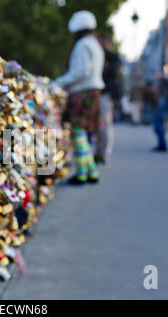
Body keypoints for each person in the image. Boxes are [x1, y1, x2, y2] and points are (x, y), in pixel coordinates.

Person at [52, 10, 105, 185]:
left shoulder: (82, 45)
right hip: (93, 92)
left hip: (82, 93)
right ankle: (91, 172)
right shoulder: (94, 44)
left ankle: (82, 174)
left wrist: (59, 82)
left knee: (78, 134)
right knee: (83, 134)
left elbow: (80, 72)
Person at [95, 35, 122, 165]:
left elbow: (113, 72)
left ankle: (104, 153)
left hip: (106, 93)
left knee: (105, 124)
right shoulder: (97, 54)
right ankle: (98, 151)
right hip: (97, 92)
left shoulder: (113, 57)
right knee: (97, 124)